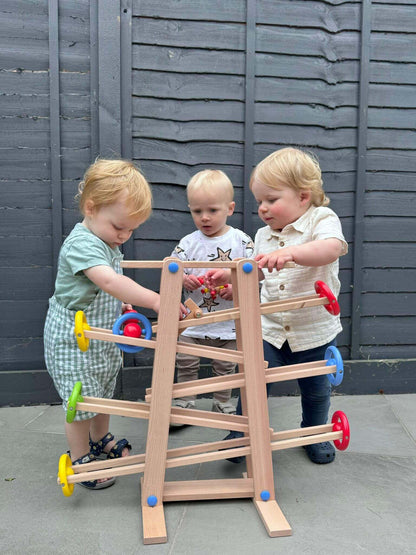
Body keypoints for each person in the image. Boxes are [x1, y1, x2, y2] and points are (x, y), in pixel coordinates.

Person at [44, 158, 186, 490]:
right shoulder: (81, 243)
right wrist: (154, 299)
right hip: (73, 338)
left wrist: (124, 303)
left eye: (131, 230)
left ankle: (100, 438)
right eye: (119, 228)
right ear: (91, 208)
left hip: (102, 334)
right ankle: (80, 458)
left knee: (103, 389)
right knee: (81, 400)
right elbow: (106, 280)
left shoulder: (106, 240)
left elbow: (112, 283)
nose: (123, 236)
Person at [205, 147, 348, 464]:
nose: (263, 208)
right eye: (259, 202)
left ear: (302, 196)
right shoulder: (262, 234)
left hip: (314, 330)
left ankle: (313, 432)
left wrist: (293, 254)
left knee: (315, 390)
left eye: (271, 200)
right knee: (254, 381)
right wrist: (231, 282)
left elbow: (332, 248)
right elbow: (257, 269)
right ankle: (242, 431)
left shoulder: (321, 220)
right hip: (270, 329)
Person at [170, 169, 254, 420]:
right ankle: (185, 403)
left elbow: (255, 277)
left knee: (226, 366)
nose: (204, 218)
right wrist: (183, 279)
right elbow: (170, 272)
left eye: (212, 211)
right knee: (185, 361)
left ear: (230, 208)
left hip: (229, 322)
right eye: (197, 211)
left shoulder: (241, 241)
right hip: (192, 322)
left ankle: (223, 404)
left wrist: (235, 288)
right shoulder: (187, 243)